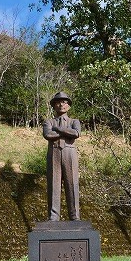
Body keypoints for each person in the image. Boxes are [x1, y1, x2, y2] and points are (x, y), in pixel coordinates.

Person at [43, 91, 81, 221]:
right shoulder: (49, 122)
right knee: (54, 183)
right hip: (54, 152)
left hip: (69, 153)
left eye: (64, 102)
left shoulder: (74, 121)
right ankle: (53, 216)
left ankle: (75, 216)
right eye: (58, 102)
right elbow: (48, 135)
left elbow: (76, 133)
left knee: (72, 183)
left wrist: (58, 130)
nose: (61, 105)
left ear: (68, 106)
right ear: (54, 106)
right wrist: (66, 133)